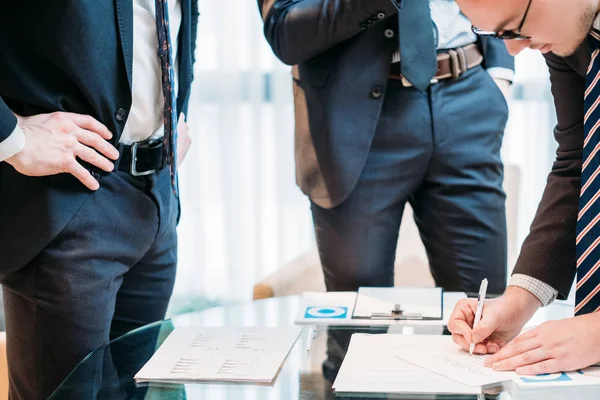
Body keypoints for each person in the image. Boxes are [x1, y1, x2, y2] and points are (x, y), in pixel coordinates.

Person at [0, 1, 199, 398]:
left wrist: (174, 116)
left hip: (156, 197)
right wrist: (12, 139)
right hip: (67, 201)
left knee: (133, 390)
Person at [257, 0, 514, 295]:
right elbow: (284, 32)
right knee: (360, 322)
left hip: (468, 96)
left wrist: (500, 72)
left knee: (483, 310)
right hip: (354, 120)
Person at [448, 0, 600, 376]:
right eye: (497, 35)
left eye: (514, 27)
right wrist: (519, 299)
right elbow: (580, 162)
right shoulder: (568, 32)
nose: (514, 50)